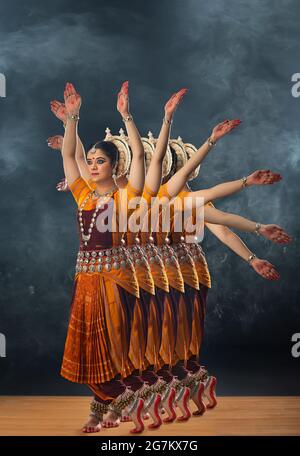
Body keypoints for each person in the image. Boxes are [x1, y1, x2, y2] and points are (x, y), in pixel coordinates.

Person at [58, 81, 148, 434]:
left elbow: (139, 157)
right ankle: (108, 405)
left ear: (114, 166)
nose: (92, 166)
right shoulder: (82, 195)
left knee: (113, 347)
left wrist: (126, 116)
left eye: (100, 162)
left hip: (115, 281)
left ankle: (121, 403)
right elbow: (69, 156)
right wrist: (73, 119)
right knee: (89, 348)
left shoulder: (125, 197)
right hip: (86, 282)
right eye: (91, 161)